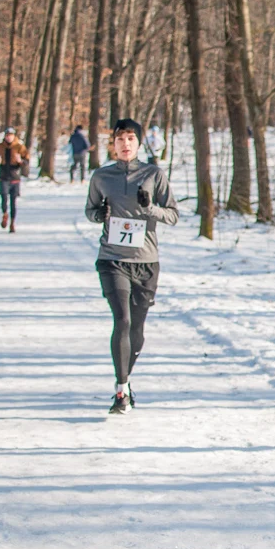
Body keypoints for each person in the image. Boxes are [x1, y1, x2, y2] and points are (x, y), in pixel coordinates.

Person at [85, 118, 178, 415]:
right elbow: (90, 211)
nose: (125, 144)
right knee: (122, 320)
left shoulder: (153, 174)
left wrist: (150, 208)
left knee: (136, 328)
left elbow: (173, 215)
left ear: (139, 143)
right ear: (112, 144)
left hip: (146, 261)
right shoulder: (101, 176)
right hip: (112, 259)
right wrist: (100, 214)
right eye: (120, 139)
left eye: (130, 139)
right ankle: (121, 389)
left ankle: (125, 376)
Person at [0, 128, 27, 233]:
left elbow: (26, 160)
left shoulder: (19, 147)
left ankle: (12, 223)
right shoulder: (0, 146)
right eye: (7, 135)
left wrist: (21, 161)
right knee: (3, 196)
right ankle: (5, 214)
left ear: (14, 136)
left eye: (10, 135)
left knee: (13, 201)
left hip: (15, 177)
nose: (8, 137)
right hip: (3, 176)